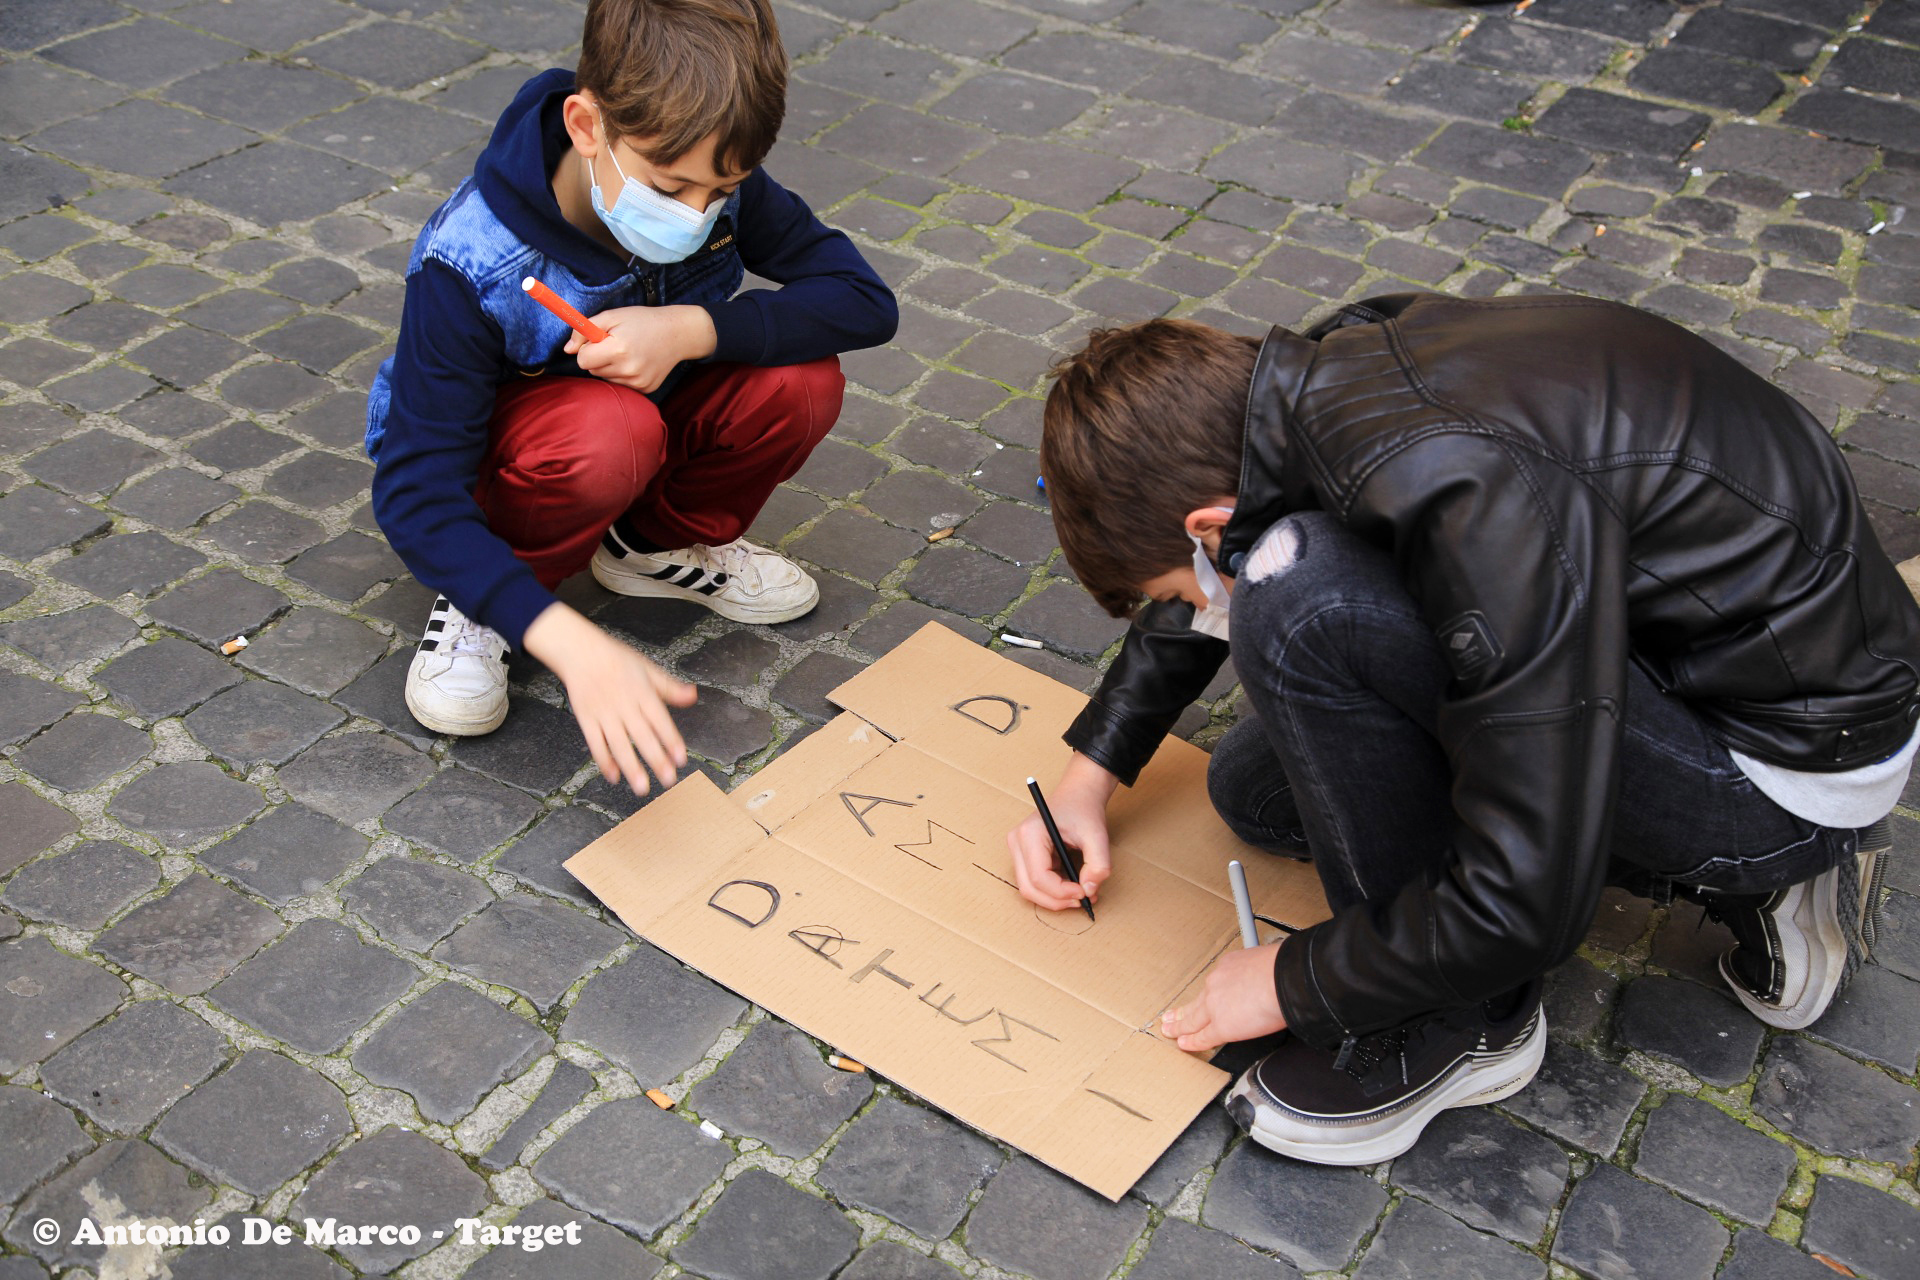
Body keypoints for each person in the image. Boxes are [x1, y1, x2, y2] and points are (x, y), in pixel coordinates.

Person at [1009, 296, 1920, 1165]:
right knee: (1256, 790)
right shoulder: (1325, 372)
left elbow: (1530, 899)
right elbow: (1225, 569)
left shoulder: (1476, 492)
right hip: (1675, 655)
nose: (1198, 611)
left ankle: (1466, 1025)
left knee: (1295, 594)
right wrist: (1093, 772)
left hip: (1776, 769)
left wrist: (1299, 978)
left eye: (1185, 589)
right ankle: (1469, 920)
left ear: (1211, 525)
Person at [365, 0, 896, 791]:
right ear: (586, 125)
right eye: (670, 185)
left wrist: (690, 329)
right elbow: (414, 489)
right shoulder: (471, 261)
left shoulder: (709, 167)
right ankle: (494, 601)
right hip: (516, 465)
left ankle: (650, 546)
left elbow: (863, 300)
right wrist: (566, 640)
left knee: (802, 378)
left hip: (647, 421)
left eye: (723, 189)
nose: (697, 213)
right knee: (606, 431)